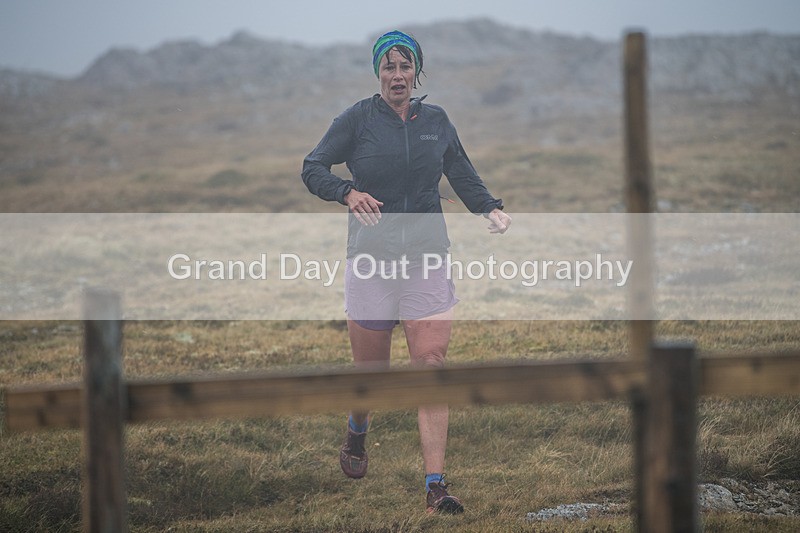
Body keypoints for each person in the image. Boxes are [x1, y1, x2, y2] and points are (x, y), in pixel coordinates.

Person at [301, 29, 511, 514]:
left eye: (405, 66)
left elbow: (460, 171)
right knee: (371, 375)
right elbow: (313, 167)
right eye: (389, 67)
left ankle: (436, 486)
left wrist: (489, 207)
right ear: (378, 72)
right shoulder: (356, 120)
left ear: (416, 71)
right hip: (371, 261)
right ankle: (357, 430)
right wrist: (347, 193)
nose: (397, 75)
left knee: (431, 365)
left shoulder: (436, 121)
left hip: (426, 256)